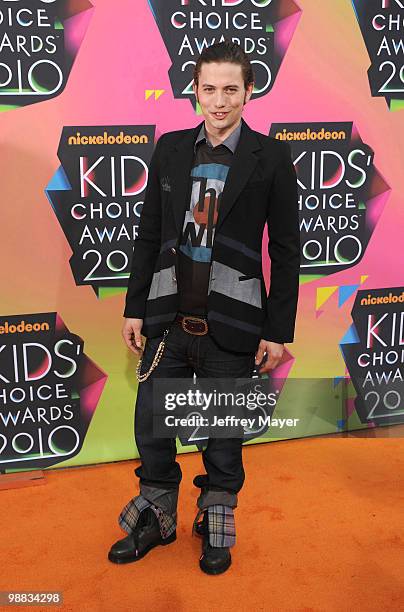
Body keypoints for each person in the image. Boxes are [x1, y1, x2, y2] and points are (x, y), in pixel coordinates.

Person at [108, 39, 300, 575]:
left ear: (248, 92)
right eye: (209, 89)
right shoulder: (170, 148)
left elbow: (285, 250)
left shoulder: (271, 156)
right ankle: (158, 517)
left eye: (230, 90)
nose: (219, 101)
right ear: (194, 90)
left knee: (222, 432)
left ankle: (214, 518)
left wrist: (278, 329)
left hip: (234, 322)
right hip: (167, 317)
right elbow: (147, 236)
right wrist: (134, 307)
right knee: (151, 424)